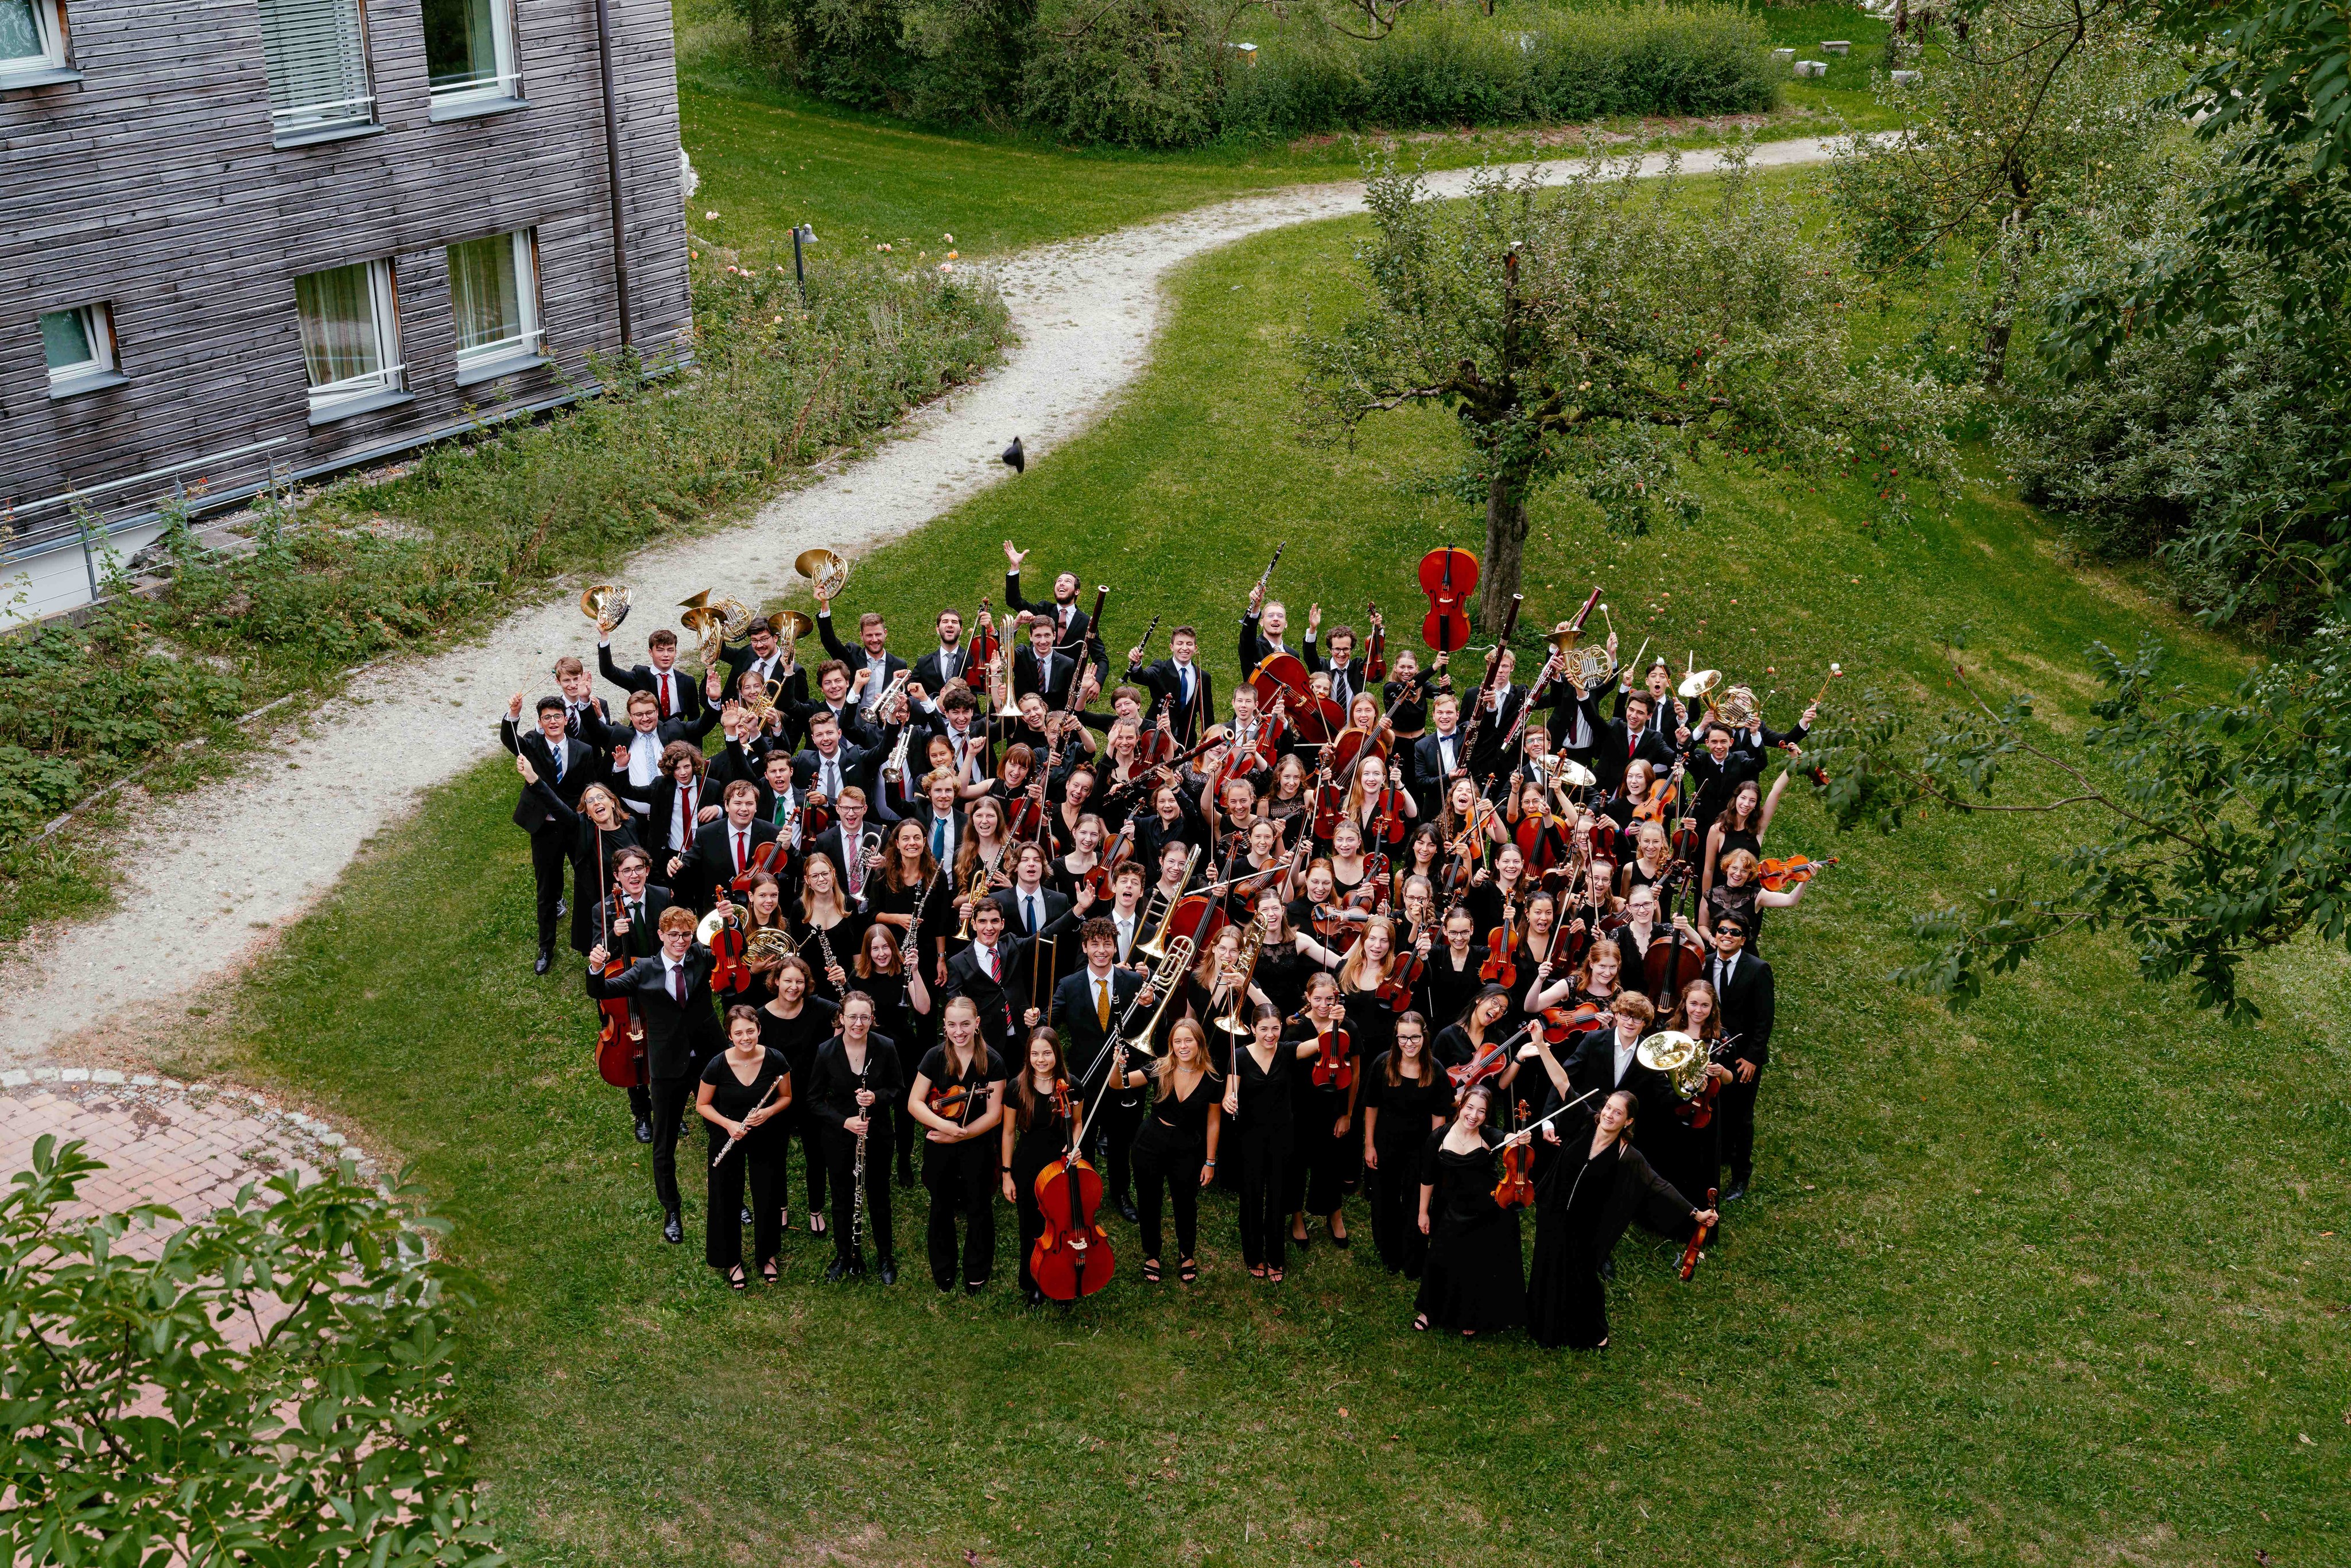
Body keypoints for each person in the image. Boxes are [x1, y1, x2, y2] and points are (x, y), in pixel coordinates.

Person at [1512, 1090, 1717, 1349]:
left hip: (1584, 1225)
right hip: (1552, 1212)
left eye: (1617, 1112)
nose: (1609, 1114)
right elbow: (1562, 1083)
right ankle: (1543, 1324)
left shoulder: (1627, 1155)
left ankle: (1596, 1333)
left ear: (1628, 1122)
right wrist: (1543, 1048)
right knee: (1547, 1263)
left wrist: (1696, 1213)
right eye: (1608, 1108)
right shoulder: (1587, 1121)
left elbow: (1659, 1185)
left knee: (1581, 1276)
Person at [587, 905, 726, 1245]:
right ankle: (671, 1209)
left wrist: (732, 920)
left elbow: (731, 947)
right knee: (664, 1143)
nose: (681, 941)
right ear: (661, 936)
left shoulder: (699, 956)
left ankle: (729, 1199)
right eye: (674, 935)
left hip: (706, 1062)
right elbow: (601, 991)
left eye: (686, 935)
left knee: (722, 1131)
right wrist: (595, 968)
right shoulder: (643, 970)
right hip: (666, 1066)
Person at [1049, 916, 1153, 1222]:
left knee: (1122, 1141)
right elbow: (1051, 1019)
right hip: (1085, 1078)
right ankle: (1086, 1194)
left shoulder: (1133, 982)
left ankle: (1121, 1194)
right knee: (1086, 1139)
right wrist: (1035, 1018)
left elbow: (1149, 1028)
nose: (1102, 950)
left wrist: (1149, 1003)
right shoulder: (1069, 985)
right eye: (1095, 944)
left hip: (1123, 1078)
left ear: (1114, 946)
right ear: (1085, 947)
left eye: (1107, 944)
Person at [905, 996, 1006, 1295]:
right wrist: (945, 1127)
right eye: (952, 1025)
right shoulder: (934, 1057)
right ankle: (944, 1270)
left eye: (965, 1024)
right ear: (945, 1026)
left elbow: (994, 1114)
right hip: (939, 1145)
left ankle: (976, 1271)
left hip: (978, 1146)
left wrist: (961, 1135)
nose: (958, 1031)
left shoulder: (993, 1061)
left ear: (977, 1024)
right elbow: (914, 1102)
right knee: (941, 1207)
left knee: (979, 1208)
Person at [807, 990, 905, 1283]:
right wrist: (844, 1121)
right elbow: (813, 1100)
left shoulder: (885, 1047)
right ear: (841, 1018)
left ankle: (886, 1258)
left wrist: (876, 1097)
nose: (858, 1023)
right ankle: (845, 1255)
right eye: (852, 1017)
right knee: (841, 1197)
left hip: (878, 1134)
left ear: (872, 1018)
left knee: (879, 1196)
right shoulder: (826, 1051)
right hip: (839, 1136)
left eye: (865, 1017)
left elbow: (898, 1088)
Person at [1413, 1084, 1525, 1337]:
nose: (1474, 1116)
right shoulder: (1439, 1136)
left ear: (1487, 1115)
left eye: (1482, 1111)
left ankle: (1472, 1315)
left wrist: (1516, 1139)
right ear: (1461, 1105)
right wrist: (1423, 1212)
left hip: (1488, 1211)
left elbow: (1506, 1138)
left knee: (1478, 1265)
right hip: (1453, 1208)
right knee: (1440, 1257)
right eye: (1470, 1107)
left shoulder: (1488, 1135)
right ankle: (1429, 1311)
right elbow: (1427, 1177)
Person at [1219, 1003, 1320, 1282]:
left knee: (1277, 1197)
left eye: (1275, 1028)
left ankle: (1276, 1256)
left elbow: (1320, 1042)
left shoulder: (1288, 1051)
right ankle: (1253, 1254)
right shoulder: (1239, 1055)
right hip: (1249, 1138)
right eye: (1264, 1029)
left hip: (1282, 1137)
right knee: (1251, 1196)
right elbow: (1230, 1092)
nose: (1270, 1034)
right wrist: (1229, 1101)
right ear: (1253, 1029)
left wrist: (1334, 1019)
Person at [501, 692, 599, 972]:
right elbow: (510, 739)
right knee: (547, 888)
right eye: (547, 718)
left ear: (566, 719)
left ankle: (595, 941)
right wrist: (514, 713)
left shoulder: (583, 750)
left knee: (587, 879)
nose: (554, 722)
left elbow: (590, 786)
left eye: (558, 716)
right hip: (543, 827)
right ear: (540, 722)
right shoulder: (531, 744)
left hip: (572, 825)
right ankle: (546, 948)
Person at [697, 1005, 792, 1288]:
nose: (746, 1037)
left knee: (768, 1193)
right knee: (725, 1196)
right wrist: (728, 1124)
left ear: (759, 1030)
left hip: (766, 1135)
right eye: (739, 1033)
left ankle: (767, 1254)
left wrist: (768, 1112)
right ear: (730, 1035)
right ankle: (731, 1260)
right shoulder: (717, 1065)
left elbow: (786, 1098)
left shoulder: (775, 1060)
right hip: (729, 1136)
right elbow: (702, 1105)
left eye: (751, 1031)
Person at [1130, 1018, 1221, 1286]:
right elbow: (1119, 1084)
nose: (1183, 1046)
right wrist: (1118, 1066)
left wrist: (1210, 1161)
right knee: (1149, 1200)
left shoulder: (1213, 1078)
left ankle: (1186, 1253)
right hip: (1150, 1142)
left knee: (1185, 1201)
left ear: (1199, 1043)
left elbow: (1214, 1121)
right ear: (1171, 1045)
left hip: (1187, 1148)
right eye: (1177, 1041)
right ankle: (1152, 1254)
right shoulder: (1160, 1068)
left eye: (1188, 1040)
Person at [1361, 1010, 1448, 1277]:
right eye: (1403, 1038)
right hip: (1386, 1144)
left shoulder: (1435, 1070)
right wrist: (1369, 1144)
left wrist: (1434, 1156)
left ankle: (1413, 1259)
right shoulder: (1382, 1064)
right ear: (1395, 1038)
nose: (1409, 1044)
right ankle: (1390, 1253)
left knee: (1415, 1203)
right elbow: (1371, 1105)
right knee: (1384, 1201)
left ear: (1424, 1037)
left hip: (1420, 1149)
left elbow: (1439, 1118)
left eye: (1414, 1038)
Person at [755, 954, 836, 1236]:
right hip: (778, 1097)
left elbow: (849, 1012)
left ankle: (816, 1209)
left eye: (800, 981)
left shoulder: (818, 1008)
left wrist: (842, 982)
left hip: (813, 1094)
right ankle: (781, 1207)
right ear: (776, 981)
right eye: (787, 980)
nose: (793, 986)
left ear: (807, 984)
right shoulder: (761, 1018)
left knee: (817, 1154)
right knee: (776, 1155)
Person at [1001, 1028, 1081, 1307]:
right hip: (1028, 1165)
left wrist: (1076, 1144)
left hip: (1061, 1166)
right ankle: (1035, 1282)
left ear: (1057, 1053)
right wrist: (1007, 1173)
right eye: (1035, 1054)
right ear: (1028, 1055)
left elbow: (1078, 1123)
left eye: (1047, 1053)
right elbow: (1009, 1132)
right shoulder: (1016, 1086)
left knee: (1065, 1226)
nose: (1041, 1059)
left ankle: (1063, 1280)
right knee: (1032, 1228)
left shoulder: (1071, 1085)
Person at [1285, 972, 1359, 1252]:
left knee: (1331, 1162)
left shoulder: (1348, 1025)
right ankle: (1296, 1216)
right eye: (1318, 999)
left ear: (1337, 997)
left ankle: (1333, 1213)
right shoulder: (1296, 1029)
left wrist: (1348, 1114)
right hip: (1301, 1107)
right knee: (1296, 1163)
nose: (1325, 1005)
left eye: (1330, 999)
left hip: (1334, 1107)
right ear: (1308, 998)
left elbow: (1356, 1072)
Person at [1704, 914, 1774, 1201]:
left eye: (1734, 932)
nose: (1727, 935)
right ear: (1716, 934)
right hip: (1712, 1051)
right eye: (1722, 930)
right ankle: (1718, 1158)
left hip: (1744, 1058)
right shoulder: (1705, 962)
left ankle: (1740, 1175)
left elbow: (1764, 1018)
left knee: (1741, 1117)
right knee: (1715, 1111)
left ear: (1744, 939)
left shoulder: (1758, 969)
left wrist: (1753, 1058)